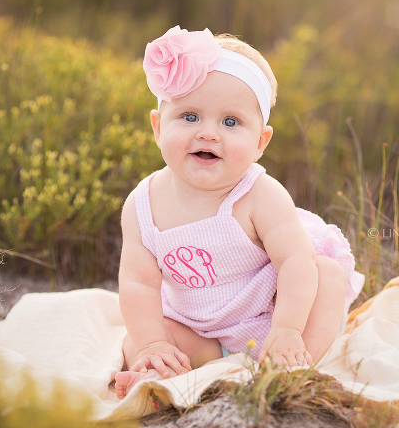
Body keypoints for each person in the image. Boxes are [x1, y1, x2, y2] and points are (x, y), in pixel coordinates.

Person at [115, 26, 364, 399]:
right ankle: (161, 374)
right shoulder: (142, 204)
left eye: (230, 122)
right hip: (198, 331)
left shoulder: (258, 195)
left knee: (325, 275)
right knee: (136, 341)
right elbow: (138, 283)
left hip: (274, 317)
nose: (209, 133)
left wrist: (288, 329)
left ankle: (290, 368)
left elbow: (296, 262)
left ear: (260, 142)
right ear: (157, 126)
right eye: (189, 117)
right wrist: (152, 343)